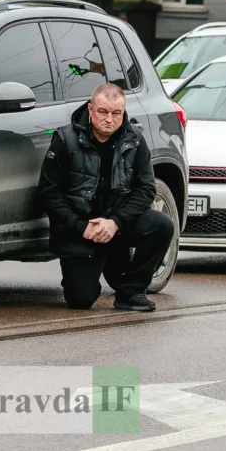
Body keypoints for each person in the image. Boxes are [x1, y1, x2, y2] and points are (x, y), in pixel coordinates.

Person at [37, 83, 174, 312]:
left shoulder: (135, 140)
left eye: (116, 113)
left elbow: (146, 189)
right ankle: (93, 270)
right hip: (80, 230)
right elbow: (48, 193)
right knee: (81, 300)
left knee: (161, 225)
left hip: (117, 226)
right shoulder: (65, 139)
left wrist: (115, 222)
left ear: (122, 113)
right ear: (91, 110)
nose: (109, 119)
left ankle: (130, 292)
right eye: (103, 112)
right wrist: (80, 227)